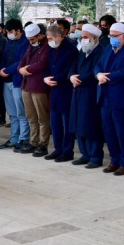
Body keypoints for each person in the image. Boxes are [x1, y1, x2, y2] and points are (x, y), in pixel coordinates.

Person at [96, 22, 124, 175]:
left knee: (122, 132)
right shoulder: (108, 48)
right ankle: (114, 160)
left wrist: (106, 77)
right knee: (109, 131)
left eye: (115, 36)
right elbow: (98, 65)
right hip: (105, 96)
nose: (112, 38)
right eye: (110, 35)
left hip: (121, 97)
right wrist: (98, 75)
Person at [70, 25, 106, 168]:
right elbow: (73, 66)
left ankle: (95, 157)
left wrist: (80, 79)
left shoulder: (100, 52)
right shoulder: (82, 51)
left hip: (90, 92)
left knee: (91, 125)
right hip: (77, 91)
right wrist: (71, 76)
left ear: (95, 38)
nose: (83, 40)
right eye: (82, 37)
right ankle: (84, 154)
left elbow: (95, 71)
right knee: (79, 124)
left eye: (86, 37)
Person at [44, 23, 77, 162]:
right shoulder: (53, 48)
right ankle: (58, 149)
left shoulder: (71, 50)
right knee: (55, 123)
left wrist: (54, 79)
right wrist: (46, 78)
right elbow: (48, 66)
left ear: (59, 36)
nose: (48, 41)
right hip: (54, 90)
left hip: (65, 90)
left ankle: (67, 151)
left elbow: (68, 70)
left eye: (50, 38)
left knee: (66, 122)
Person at [18, 22, 52, 156]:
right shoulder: (30, 46)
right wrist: (21, 69)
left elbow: (41, 64)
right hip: (27, 85)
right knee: (31, 117)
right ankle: (33, 142)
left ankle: (43, 144)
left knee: (42, 118)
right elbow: (23, 59)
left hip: (39, 87)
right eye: (29, 40)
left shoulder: (47, 46)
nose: (30, 41)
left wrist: (26, 70)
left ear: (39, 36)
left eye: (32, 39)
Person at [0, 20, 30, 150]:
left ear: (18, 30)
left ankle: (23, 139)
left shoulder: (25, 42)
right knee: (12, 113)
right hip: (7, 81)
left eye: (11, 32)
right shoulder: (10, 41)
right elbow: (4, 57)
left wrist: (6, 71)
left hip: (17, 81)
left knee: (21, 113)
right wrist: (1, 69)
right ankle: (14, 138)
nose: (9, 35)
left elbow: (21, 61)